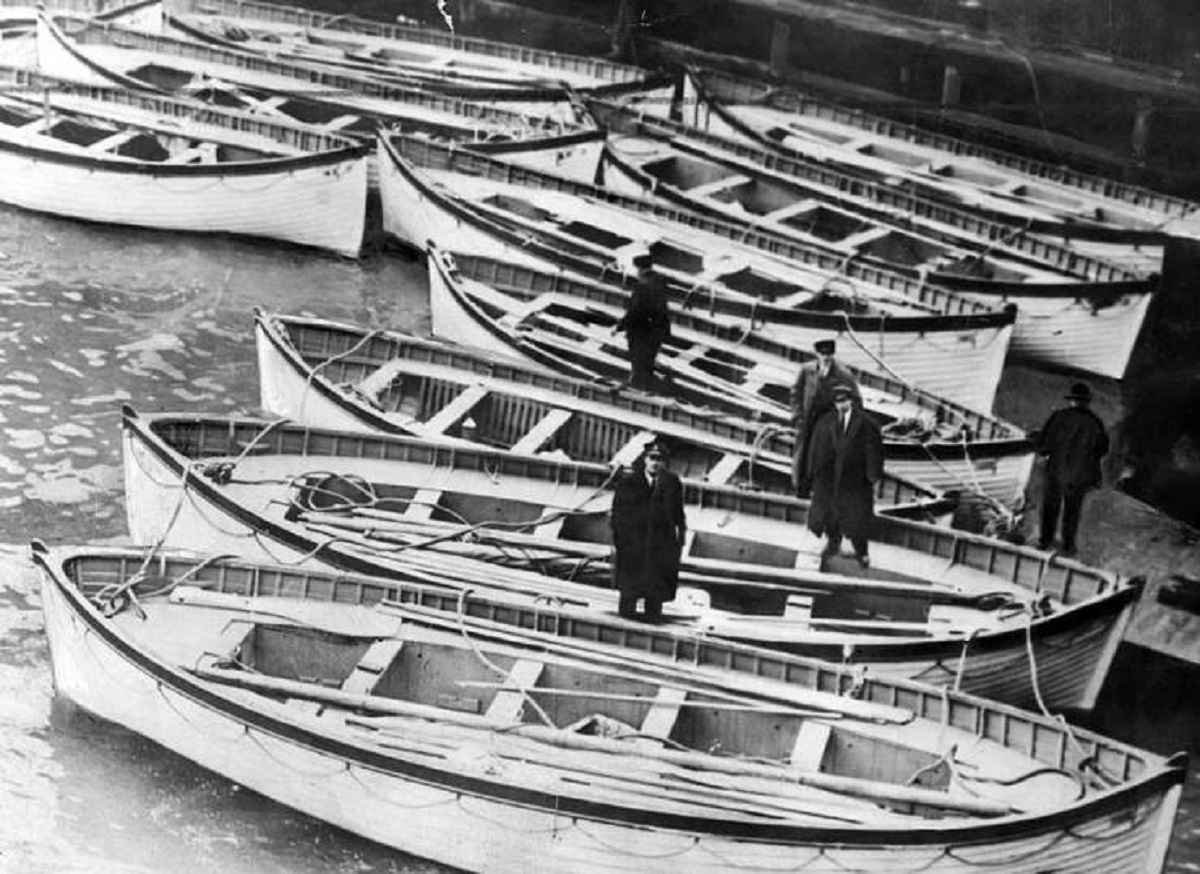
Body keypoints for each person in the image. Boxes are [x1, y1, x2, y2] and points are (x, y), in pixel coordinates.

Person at [610, 437, 687, 622]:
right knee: (630, 588)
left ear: (664, 462)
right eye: (652, 458)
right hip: (633, 544)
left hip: (660, 545)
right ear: (645, 459)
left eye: (659, 459)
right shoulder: (629, 481)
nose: (655, 463)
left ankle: (652, 619)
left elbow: (678, 513)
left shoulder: (672, 482)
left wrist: (679, 540)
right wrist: (620, 541)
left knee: (655, 588)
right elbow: (618, 514)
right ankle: (625, 619)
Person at [806, 383, 883, 568]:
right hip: (830, 479)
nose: (841, 405)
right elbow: (816, 449)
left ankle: (862, 552)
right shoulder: (826, 422)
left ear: (851, 401)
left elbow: (875, 452)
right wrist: (813, 474)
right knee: (830, 515)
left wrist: (873, 476)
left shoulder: (866, 424)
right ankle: (833, 543)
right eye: (838, 402)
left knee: (857, 519)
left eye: (844, 401)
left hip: (854, 480)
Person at [1036, 382, 1109, 556]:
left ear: (1071, 400)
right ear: (1086, 402)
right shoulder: (1095, 422)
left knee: (1050, 507)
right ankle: (1068, 546)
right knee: (1072, 512)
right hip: (1079, 475)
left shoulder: (1059, 417)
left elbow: (1044, 445)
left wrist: (1046, 452)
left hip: (1056, 471)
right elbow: (1102, 449)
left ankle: (1045, 541)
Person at [789, 338, 860, 498]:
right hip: (808, 421)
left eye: (829, 354)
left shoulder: (843, 375)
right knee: (803, 456)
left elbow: (856, 400)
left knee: (824, 458)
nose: (826, 357)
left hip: (829, 424)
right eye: (823, 354)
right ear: (817, 354)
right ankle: (801, 489)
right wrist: (797, 415)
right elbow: (796, 392)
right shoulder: (807, 370)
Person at [613, 251, 671, 392]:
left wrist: (620, 326)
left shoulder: (641, 286)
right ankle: (647, 387)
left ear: (639, 269)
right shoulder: (660, 282)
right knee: (648, 361)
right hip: (657, 330)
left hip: (641, 331)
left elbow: (636, 311)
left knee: (638, 360)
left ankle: (637, 387)